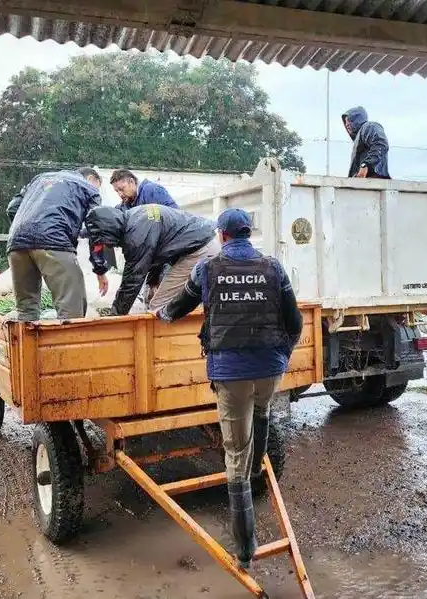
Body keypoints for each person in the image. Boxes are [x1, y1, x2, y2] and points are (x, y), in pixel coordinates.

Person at [154, 208, 303, 569]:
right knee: (263, 410)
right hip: (271, 368)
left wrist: (161, 315)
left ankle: (246, 549)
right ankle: (257, 469)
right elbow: (294, 319)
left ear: (221, 235)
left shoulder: (207, 269)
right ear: (247, 234)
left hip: (231, 372)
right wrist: (283, 355)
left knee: (235, 453)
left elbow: (179, 306)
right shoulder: (273, 267)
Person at [6, 167, 107, 321]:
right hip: (55, 241)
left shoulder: (39, 179)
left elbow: (12, 208)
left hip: (16, 244)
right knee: (71, 313)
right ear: (91, 178)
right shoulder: (88, 188)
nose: (97, 190)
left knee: (26, 312)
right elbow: (96, 229)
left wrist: (27, 233)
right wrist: (99, 269)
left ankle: (27, 344)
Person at [84, 204, 220, 315]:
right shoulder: (134, 217)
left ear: (109, 230)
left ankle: (170, 344)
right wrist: (153, 282)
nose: (107, 246)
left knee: (159, 307)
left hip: (200, 248)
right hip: (205, 239)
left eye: (105, 242)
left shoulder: (136, 236)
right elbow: (157, 254)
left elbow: (132, 280)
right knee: (166, 298)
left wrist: (115, 316)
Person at [342, 106, 390, 179]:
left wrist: (365, 165)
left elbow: (381, 144)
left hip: (372, 179)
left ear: (357, 119)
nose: (346, 124)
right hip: (364, 180)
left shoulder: (369, 126)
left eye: (349, 120)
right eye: (345, 122)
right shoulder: (359, 137)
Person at [109, 169, 179, 211]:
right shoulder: (125, 204)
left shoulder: (151, 190)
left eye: (122, 189)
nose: (120, 194)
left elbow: (176, 214)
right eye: (117, 191)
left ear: (132, 182)